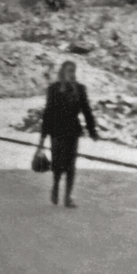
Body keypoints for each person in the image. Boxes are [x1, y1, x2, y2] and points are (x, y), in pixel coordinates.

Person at [38, 60, 98, 208]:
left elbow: (86, 111)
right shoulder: (54, 89)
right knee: (58, 164)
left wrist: (92, 131)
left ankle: (68, 197)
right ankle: (56, 186)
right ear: (63, 72)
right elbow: (48, 113)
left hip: (72, 131)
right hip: (57, 132)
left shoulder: (80, 89)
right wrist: (42, 138)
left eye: (74, 71)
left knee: (71, 165)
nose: (72, 74)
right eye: (69, 71)